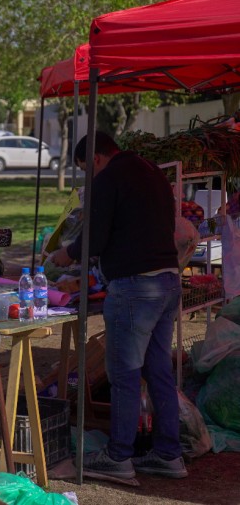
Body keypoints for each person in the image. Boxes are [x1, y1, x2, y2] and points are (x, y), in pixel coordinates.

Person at [49, 131, 186, 479]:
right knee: (158, 373)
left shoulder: (109, 178)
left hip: (136, 286)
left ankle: (118, 456)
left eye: (84, 168)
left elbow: (95, 237)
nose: (87, 176)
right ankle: (169, 454)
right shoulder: (150, 170)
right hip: (167, 279)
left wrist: (67, 254)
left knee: (124, 375)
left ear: (95, 159)